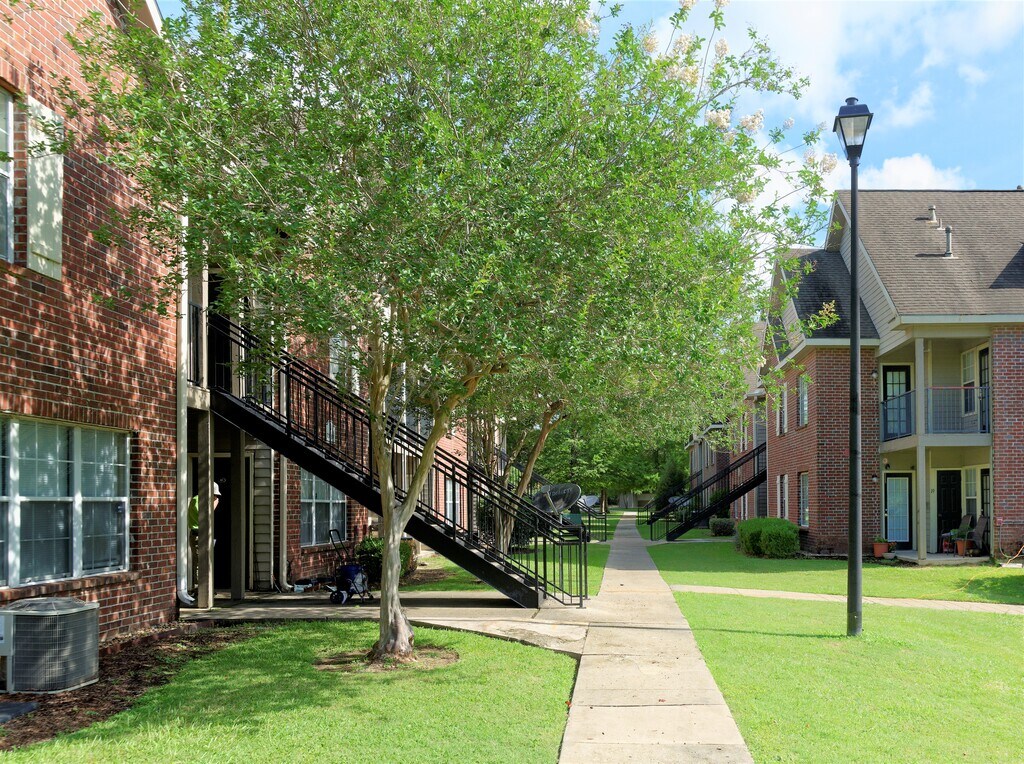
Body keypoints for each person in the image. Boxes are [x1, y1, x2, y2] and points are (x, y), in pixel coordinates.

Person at [188, 481, 220, 596]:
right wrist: (214, 504)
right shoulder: (198, 500)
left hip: (204, 534)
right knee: (199, 563)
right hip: (198, 535)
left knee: (207, 562)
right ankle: (199, 589)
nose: (215, 497)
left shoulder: (202, 501)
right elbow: (205, 514)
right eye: (214, 495)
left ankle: (205, 587)